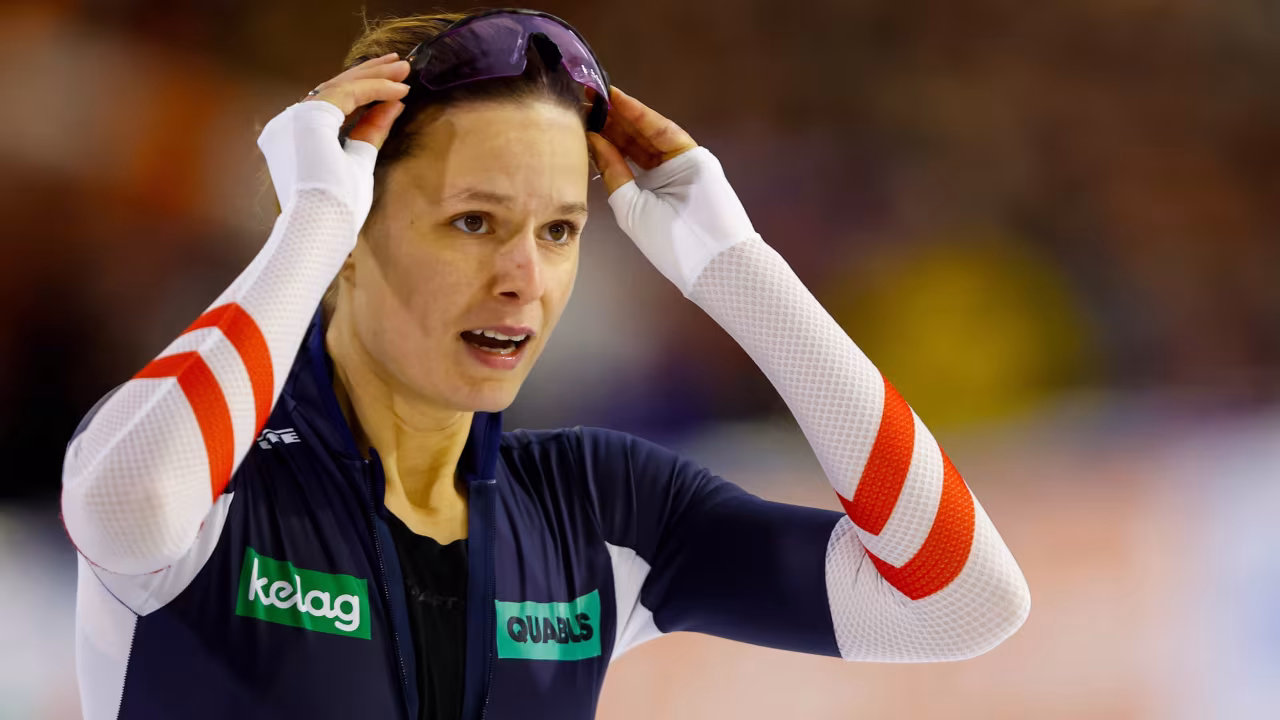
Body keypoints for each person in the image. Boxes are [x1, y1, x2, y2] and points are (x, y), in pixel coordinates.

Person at [61, 9, 1030, 720]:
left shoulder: (591, 510)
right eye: (472, 222)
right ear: (353, 228)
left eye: (559, 230)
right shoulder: (203, 471)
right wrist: (309, 223)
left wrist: (740, 272)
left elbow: (959, 602)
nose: (523, 278)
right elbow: (127, 505)